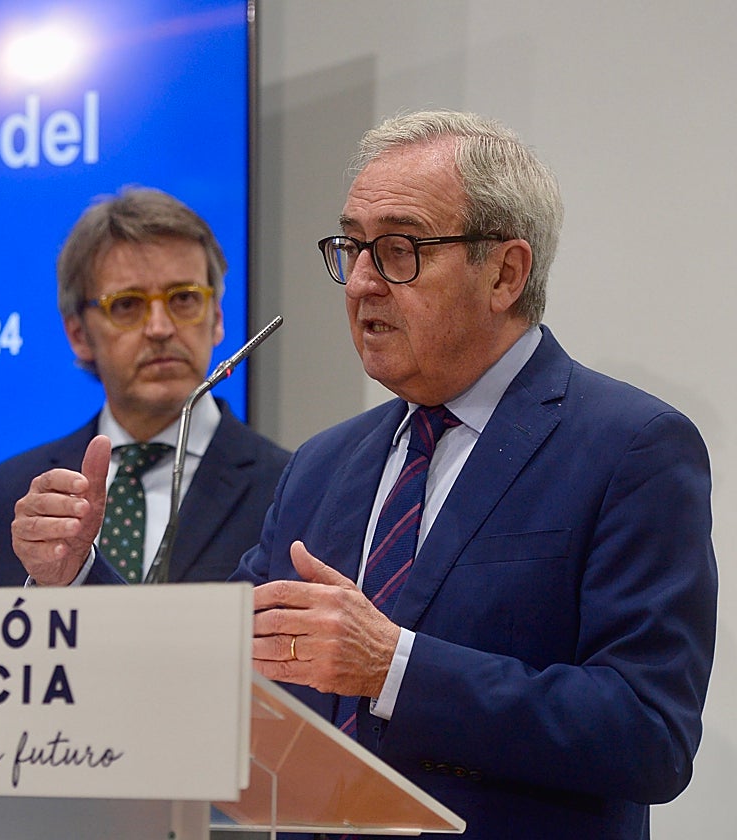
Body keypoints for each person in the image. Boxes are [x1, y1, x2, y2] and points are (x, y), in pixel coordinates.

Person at [234, 110, 717, 839]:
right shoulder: (321, 464)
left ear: (505, 272)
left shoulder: (632, 448)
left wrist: (395, 669)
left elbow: (650, 733)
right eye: (352, 247)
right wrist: (80, 582)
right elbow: (226, 657)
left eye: (398, 250)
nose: (360, 283)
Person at [0, 186, 290, 587]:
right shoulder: (7, 497)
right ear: (78, 334)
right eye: (127, 305)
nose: (160, 328)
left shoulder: (287, 488)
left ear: (216, 318)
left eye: (183, 299)